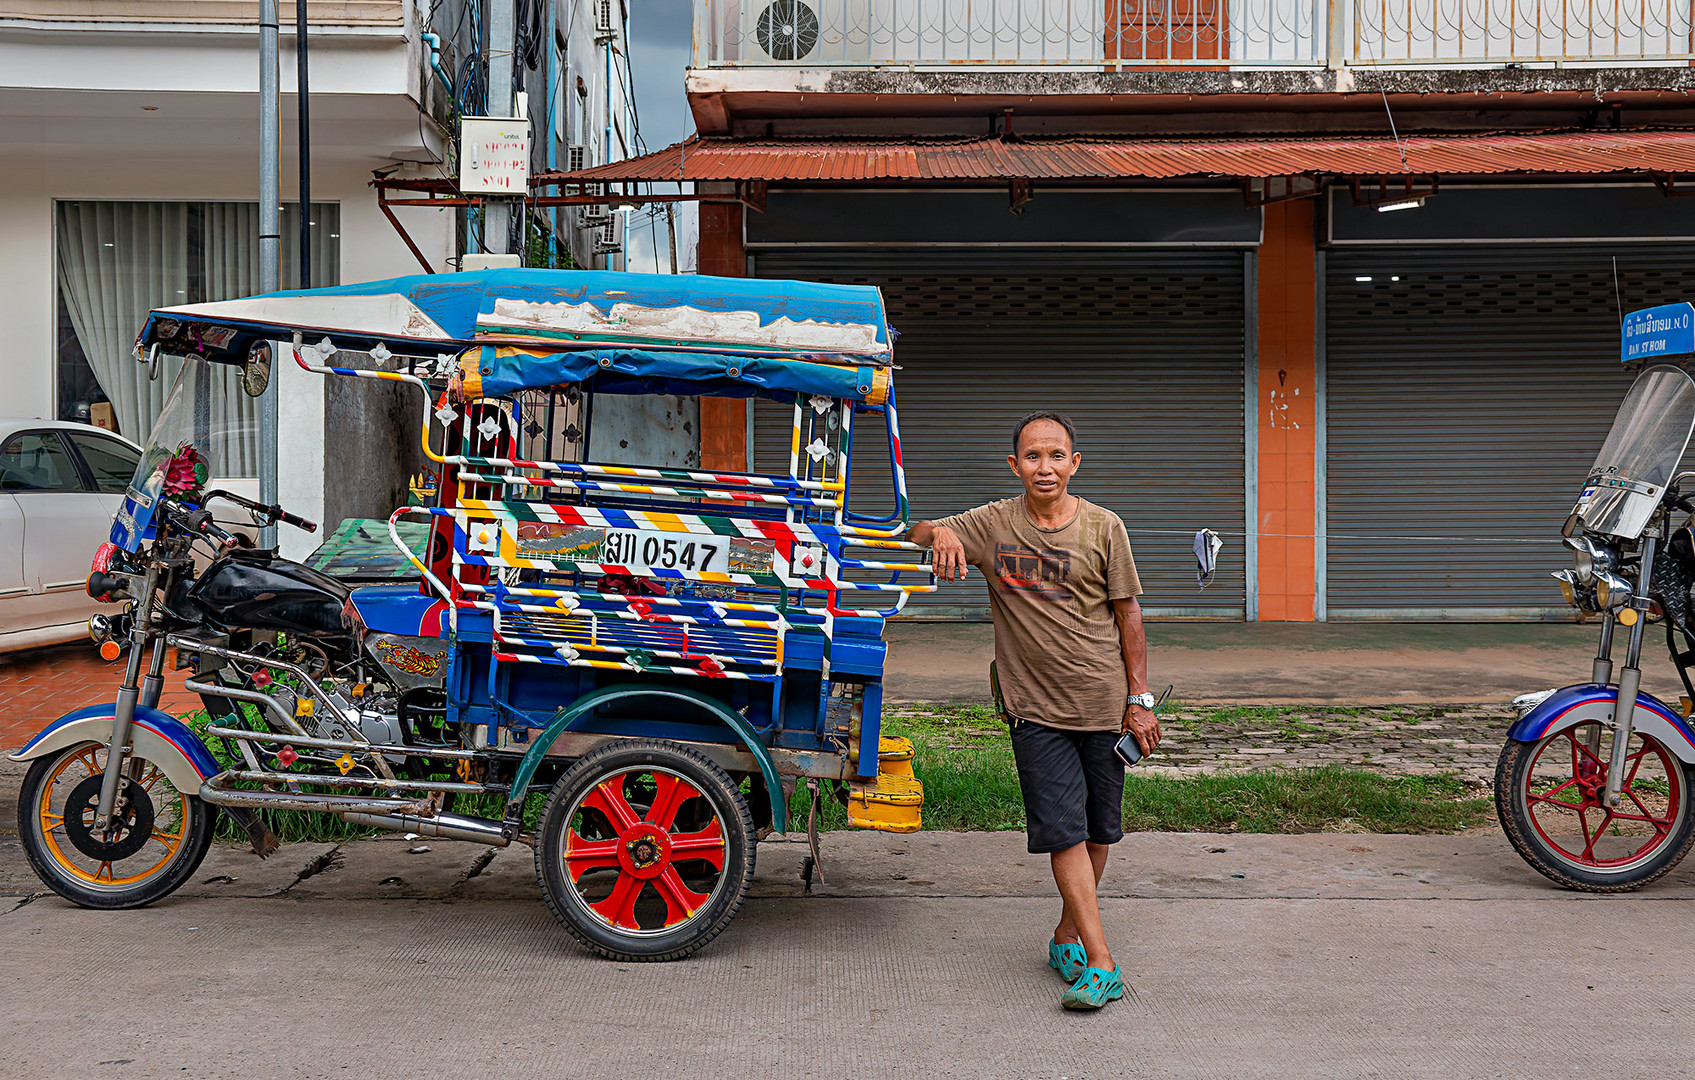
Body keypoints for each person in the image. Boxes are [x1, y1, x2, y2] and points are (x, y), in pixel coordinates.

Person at [908, 411, 1160, 1011]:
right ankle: (1101, 963)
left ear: (1074, 463)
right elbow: (913, 530)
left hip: (1103, 703)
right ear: (1014, 465)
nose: (1043, 467)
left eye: (1055, 456)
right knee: (1063, 831)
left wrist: (1139, 699)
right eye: (1032, 456)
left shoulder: (1104, 528)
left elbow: (1129, 616)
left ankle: (1065, 935)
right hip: (1034, 708)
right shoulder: (993, 523)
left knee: (1100, 831)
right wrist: (940, 535)